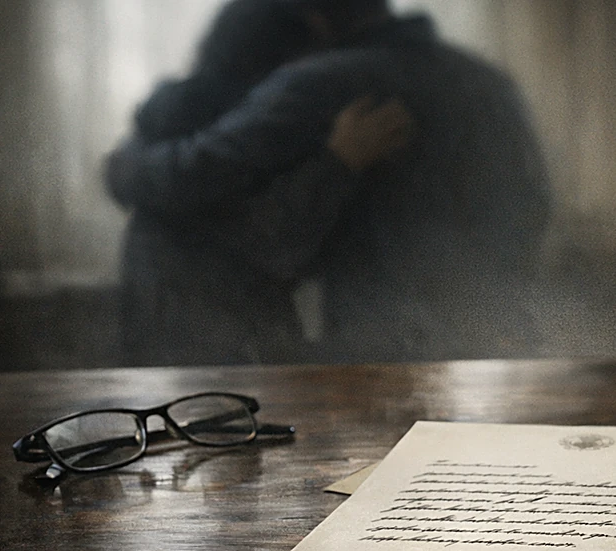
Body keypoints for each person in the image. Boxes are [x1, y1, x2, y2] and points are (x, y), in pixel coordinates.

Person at [106, 0, 552, 363]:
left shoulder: (320, 82)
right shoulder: (486, 81)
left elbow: (199, 183)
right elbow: (532, 204)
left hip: (380, 338)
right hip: (488, 324)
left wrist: (123, 165)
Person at [107, 0, 414, 365]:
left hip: (181, 331)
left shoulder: (176, 112)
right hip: (219, 340)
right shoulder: (253, 123)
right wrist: (340, 161)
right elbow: (260, 237)